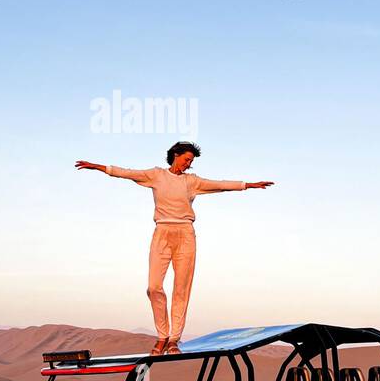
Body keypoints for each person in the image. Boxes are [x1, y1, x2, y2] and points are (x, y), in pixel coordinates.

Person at [75, 142, 274, 355]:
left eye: (191, 161)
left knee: (181, 288)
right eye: (186, 159)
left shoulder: (192, 181)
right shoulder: (156, 175)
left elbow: (220, 184)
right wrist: (98, 167)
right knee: (153, 287)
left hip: (185, 234)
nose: (188, 164)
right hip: (162, 231)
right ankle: (162, 335)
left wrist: (248, 185)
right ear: (175, 155)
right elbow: (127, 173)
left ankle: (173, 340)